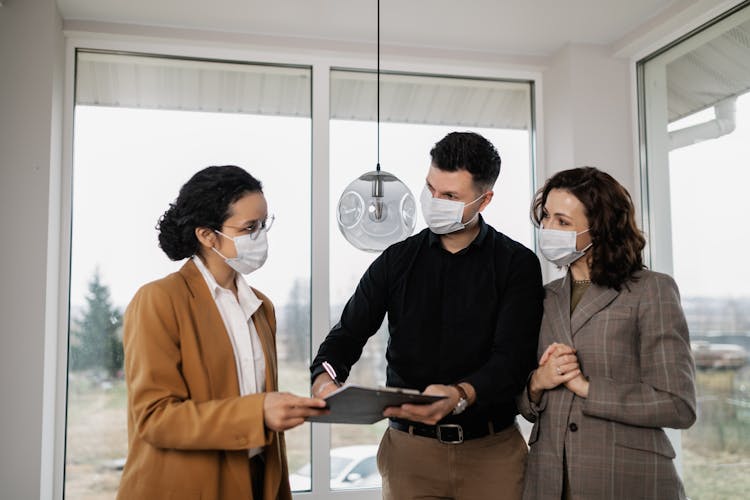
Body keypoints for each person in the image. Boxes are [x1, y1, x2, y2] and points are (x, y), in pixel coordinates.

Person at [311, 132, 545, 499]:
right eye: (430, 188)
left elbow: (512, 360)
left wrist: (460, 394)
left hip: (492, 453)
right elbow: (345, 337)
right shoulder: (395, 261)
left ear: (484, 200)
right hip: (410, 454)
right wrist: (324, 381)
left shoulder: (517, 265)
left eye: (450, 196)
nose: (434, 202)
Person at [116, 165, 327, 500]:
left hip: (256, 482)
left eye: (264, 224)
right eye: (249, 227)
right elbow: (155, 418)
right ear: (207, 235)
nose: (261, 236)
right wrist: (258, 412)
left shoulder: (262, 307)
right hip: (184, 488)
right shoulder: (158, 299)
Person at [518, 166, 697, 500]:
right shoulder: (543, 297)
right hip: (548, 481)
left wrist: (586, 387)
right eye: (546, 217)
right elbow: (525, 404)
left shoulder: (651, 290)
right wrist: (538, 383)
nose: (547, 228)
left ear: (599, 228)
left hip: (627, 478)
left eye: (563, 221)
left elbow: (678, 404)